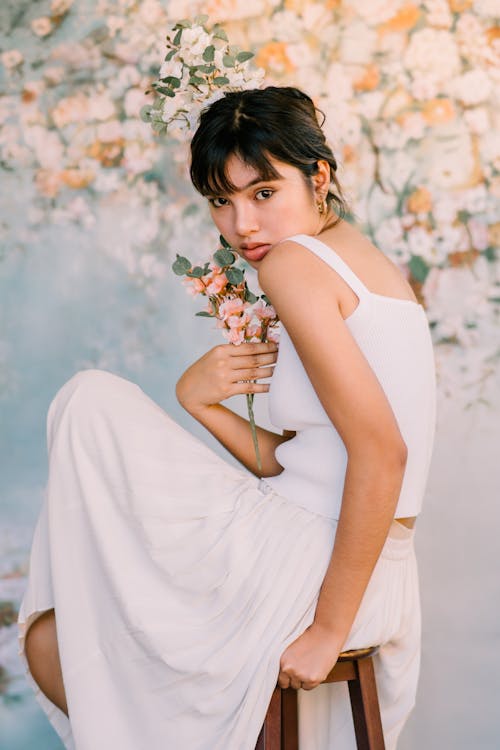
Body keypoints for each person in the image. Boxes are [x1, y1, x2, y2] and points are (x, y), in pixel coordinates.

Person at [18, 86, 436, 750]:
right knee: (57, 639)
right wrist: (199, 402)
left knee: (87, 400)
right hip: (373, 565)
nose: (243, 226)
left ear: (318, 175)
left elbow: (383, 454)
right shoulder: (367, 264)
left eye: (263, 193)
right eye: (222, 201)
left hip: (315, 570)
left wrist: (328, 630)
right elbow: (304, 464)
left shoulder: (296, 267)